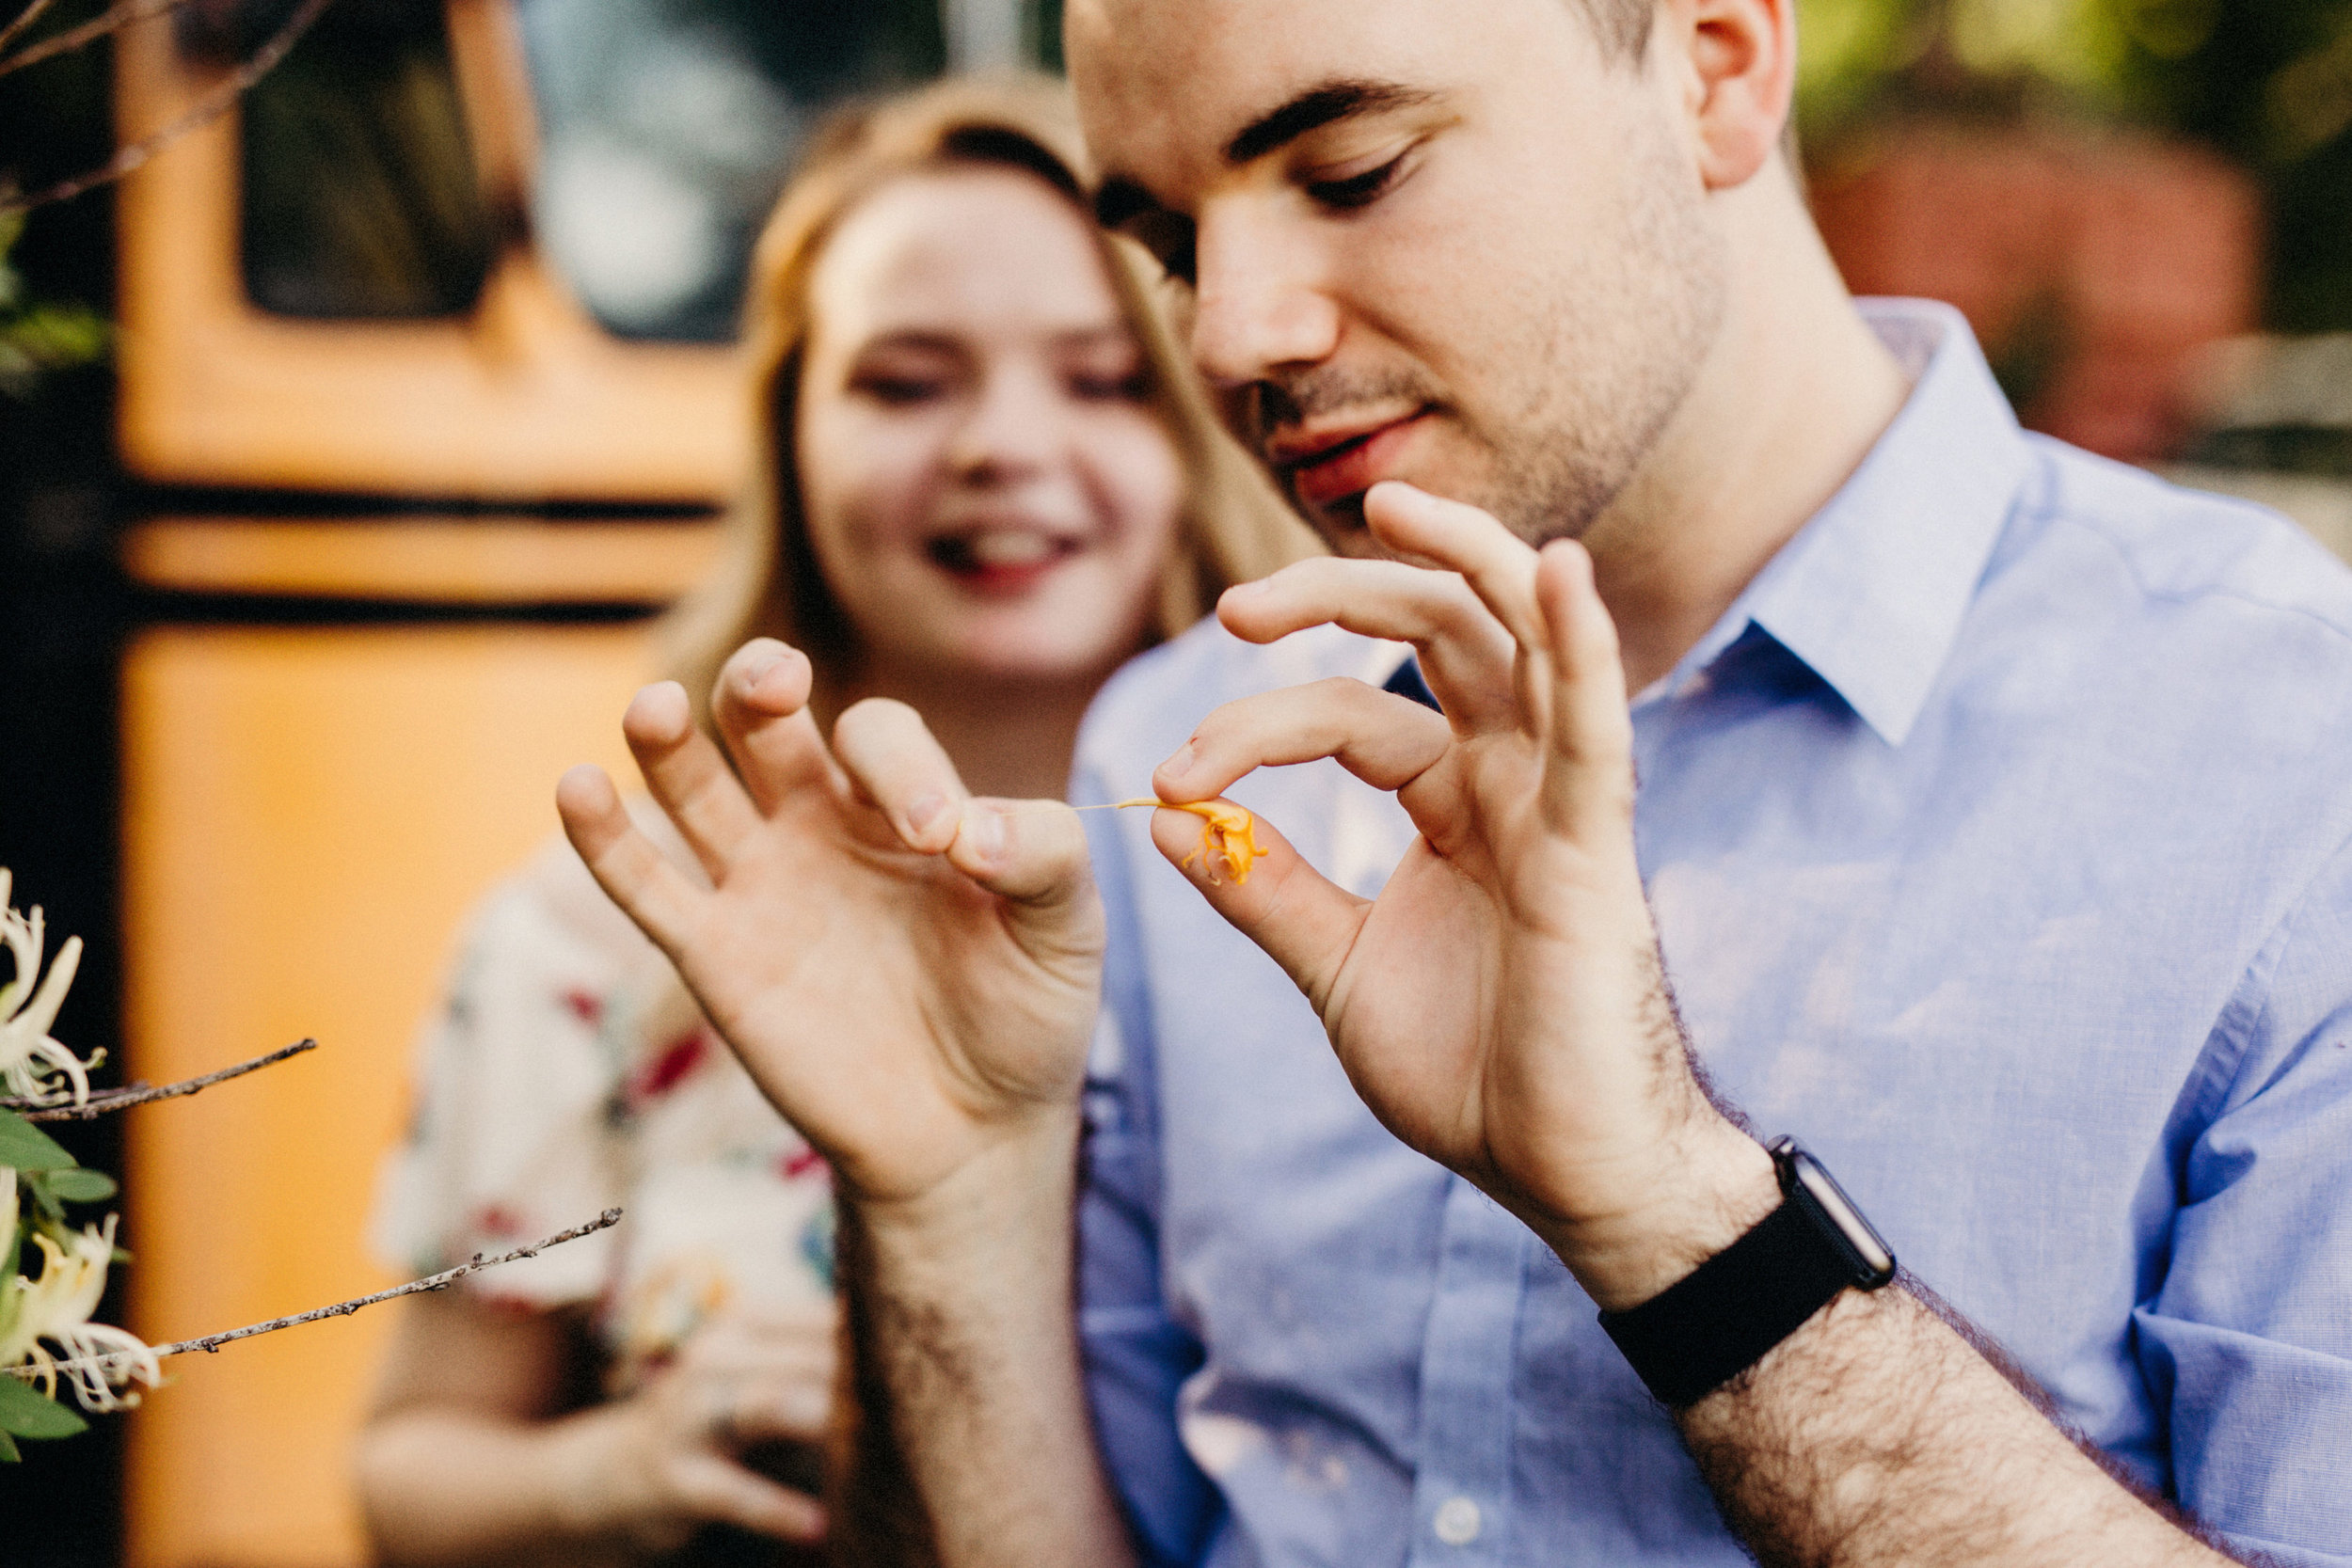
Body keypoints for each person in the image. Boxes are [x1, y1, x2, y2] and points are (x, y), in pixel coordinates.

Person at [556, 3, 2352, 1566]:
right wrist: (947, 1207)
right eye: (1172, 241)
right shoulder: (1182, 750)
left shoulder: (2284, 759)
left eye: (1349, 171)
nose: (1230, 337)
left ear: (1718, 64)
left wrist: (1670, 1213)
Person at [353, 74, 1313, 1568]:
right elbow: (404, 1478)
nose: (1002, 444)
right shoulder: (598, 939)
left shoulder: (1347, 884)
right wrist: (613, 1473)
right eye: (908, 380)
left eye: (1104, 375)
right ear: (789, 425)